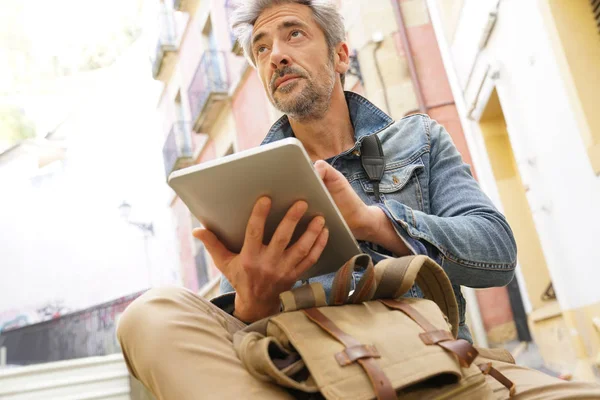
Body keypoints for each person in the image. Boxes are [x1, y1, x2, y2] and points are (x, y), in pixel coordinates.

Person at [116, 1, 600, 399]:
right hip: (322, 381)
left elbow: (498, 257)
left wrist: (375, 222)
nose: (275, 55)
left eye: (294, 35)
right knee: (148, 315)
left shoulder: (420, 140)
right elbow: (242, 333)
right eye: (261, 48)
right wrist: (250, 303)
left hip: (444, 368)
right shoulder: (246, 188)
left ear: (342, 54)